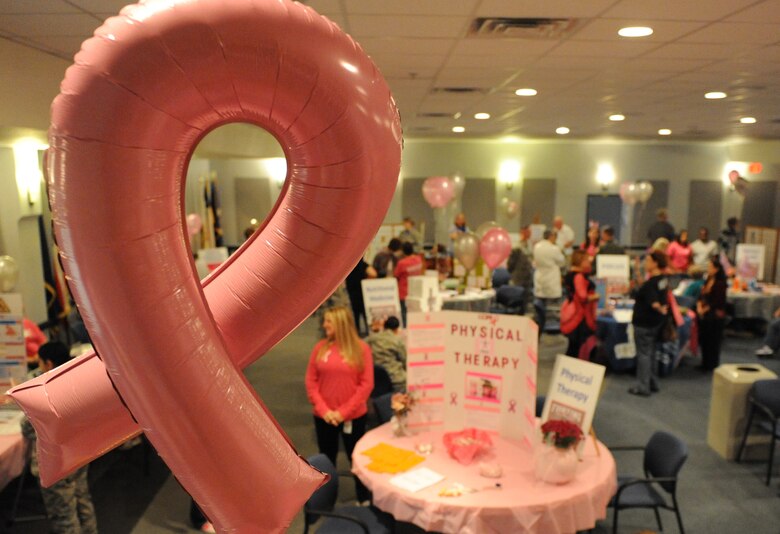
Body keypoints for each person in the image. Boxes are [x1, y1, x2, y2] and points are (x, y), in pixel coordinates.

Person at [21, 342, 98, 534]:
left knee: (64, 515)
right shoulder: (77, 383)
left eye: (39, 362)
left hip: (56, 463)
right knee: (83, 501)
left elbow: (27, 427)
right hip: (80, 455)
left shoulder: (46, 391)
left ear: (48, 363)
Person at [305, 306, 373, 503]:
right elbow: (311, 382)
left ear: (340, 324)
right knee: (327, 459)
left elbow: (366, 384)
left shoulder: (361, 349)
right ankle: (326, 500)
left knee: (357, 459)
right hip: (324, 417)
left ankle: (363, 498)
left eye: (329, 321)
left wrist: (343, 413)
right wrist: (324, 410)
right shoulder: (320, 348)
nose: (324, 325)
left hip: (353, 416)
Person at [628, 250, 670, 397]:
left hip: (644, 322)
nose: (646, 263)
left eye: (648, 261)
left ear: (655, 263)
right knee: (651, 352)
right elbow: (647, 289)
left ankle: (642, 386)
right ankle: (652, 382)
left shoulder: (651, 284)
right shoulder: (662, 280)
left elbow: (653, 301)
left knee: (643, 355)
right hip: (655, 323)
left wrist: (660, 308)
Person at [561, 250, 599, 359]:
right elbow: (582, 297)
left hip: (571, 311)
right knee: (576, 346)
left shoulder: (570, 274)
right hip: (580, 315)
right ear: (580, 261)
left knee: (574, 346)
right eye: (587, 260)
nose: (589, 262)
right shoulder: (579, 277)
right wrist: (595, 296)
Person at [697, 257, 728, 371]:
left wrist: (705, 309)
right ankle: (704, 362)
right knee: (704, 340)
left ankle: (712, 364)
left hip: (714, 316)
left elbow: (718, 301)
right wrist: (699, 306)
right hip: (705, 314)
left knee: (713, 341)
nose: (708, 269)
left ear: (717, 269)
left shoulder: (720, 284)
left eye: (710, 267)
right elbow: (701, 295)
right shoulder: (708, 279)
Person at [533, 229, 565, 332]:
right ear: (551, 236)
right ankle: (551, 326)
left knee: (540, 303)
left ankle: (540, 324)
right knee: (552, 305)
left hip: (539, 277)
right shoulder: (553, 248)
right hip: (551, 278)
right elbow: (562, 261)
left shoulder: (536, 246)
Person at [365, 316, 406, 392]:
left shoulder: (371, 339)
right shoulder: (397, 340)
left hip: (378, 381)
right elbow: (405, 361)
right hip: (397, 381)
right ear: (397, 329)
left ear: (384, 326)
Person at [345, 257, 377, 336]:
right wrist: (367, 280)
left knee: (355, 314)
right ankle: (368, 331)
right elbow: (373, 274)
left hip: (352, 293)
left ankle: (356, 332)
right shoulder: (363, 265)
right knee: (365, 313)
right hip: (362, 293)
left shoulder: (348, 265)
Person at [394, 242, 423, 326]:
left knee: (404, 315)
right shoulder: (418, 259)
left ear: (403, 251)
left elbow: (396, 275)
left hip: (403, 292)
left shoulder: (402, 263)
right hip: (416, 292)